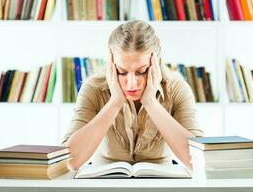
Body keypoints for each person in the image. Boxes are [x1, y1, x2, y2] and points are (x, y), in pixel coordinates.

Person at [62, 20, 203, 170]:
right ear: (111, 63)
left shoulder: (177, 89)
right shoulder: (93, 89)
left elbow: (198, 160)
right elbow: (70, 161)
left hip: (161, 184)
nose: (131, 84)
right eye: (122, 72)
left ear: (156, 62)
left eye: (141, 71)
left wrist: (150, 102)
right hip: (104, 183)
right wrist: (115, 102)